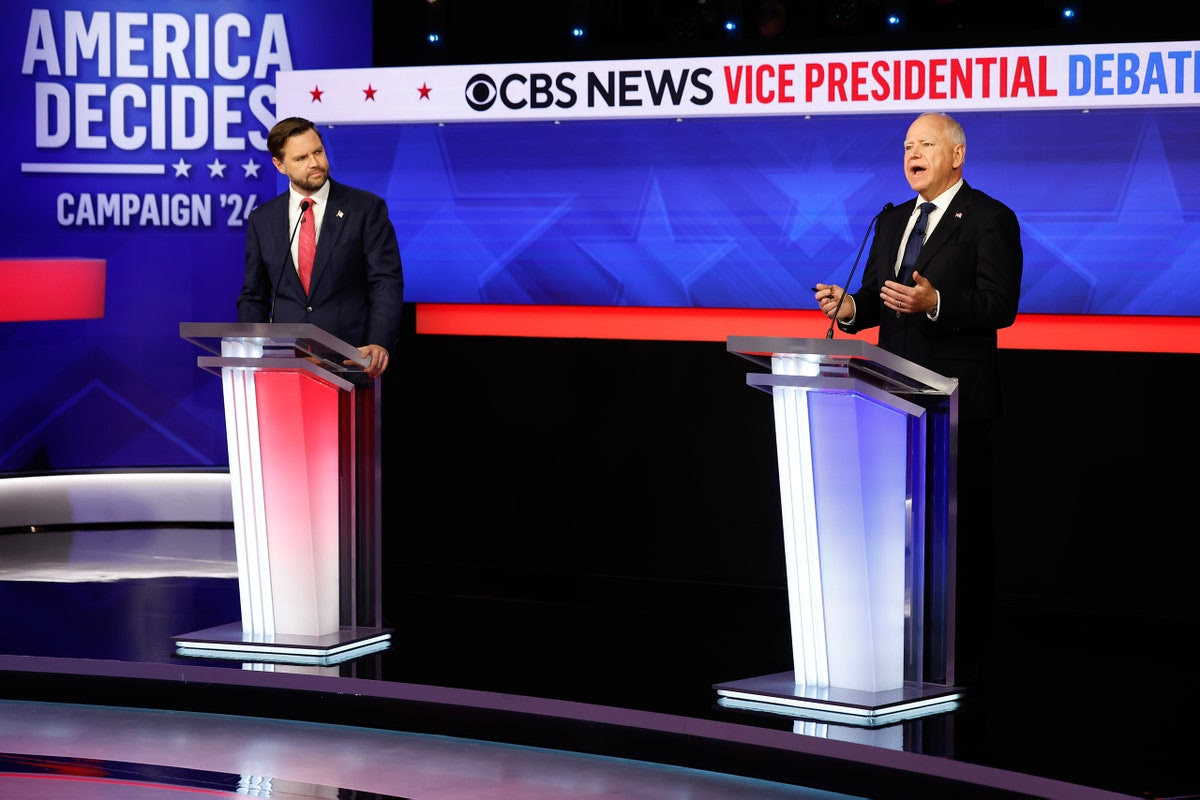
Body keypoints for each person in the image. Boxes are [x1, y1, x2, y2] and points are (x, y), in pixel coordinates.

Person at [814, 111, 1023, 686]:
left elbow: (999, 305)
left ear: (956, 155)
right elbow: (882, 299)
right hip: (892, 398)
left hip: (955, 402)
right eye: (907, 144)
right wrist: (851, 309)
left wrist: (936, 302)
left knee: (959, 537)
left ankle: (969, 660)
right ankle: (903, 648)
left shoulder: (989, 219)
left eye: (926, 143)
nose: (914, 153)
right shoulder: (891, 220)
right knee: (899, 532)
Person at [238, 116, 404, 379]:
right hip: (285, 366)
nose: (315, 163)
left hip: (353, 362)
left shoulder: (365, 209)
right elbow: (253, 296)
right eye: (301, 158)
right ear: (279, 165)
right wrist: (250, 348)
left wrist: (379, 342)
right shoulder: (263, 220)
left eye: (318, 152)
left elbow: (386, 282)